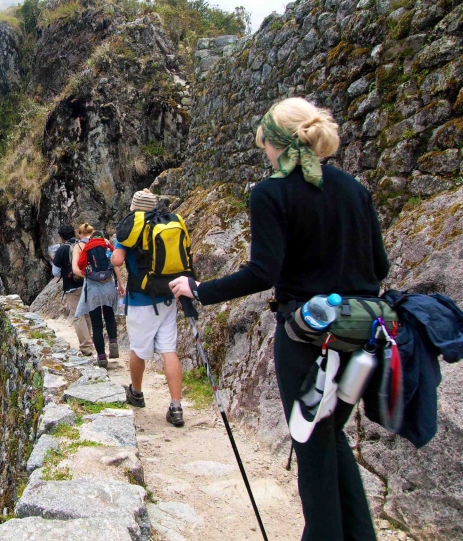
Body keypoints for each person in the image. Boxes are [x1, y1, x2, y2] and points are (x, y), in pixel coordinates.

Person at [169, 97, 388, 541]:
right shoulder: (354, 189)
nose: (264, 153)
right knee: (330, 435)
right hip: (360, 334)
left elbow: (263, 272)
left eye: (264, 144)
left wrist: (200, 289)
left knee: (311, 442)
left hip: (308, 338)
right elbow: (379, 266)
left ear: (276, 142)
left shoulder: (271, 192)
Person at [112, 189, 185, 427]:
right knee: (169, 350)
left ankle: (136, 392)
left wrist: (117, 251)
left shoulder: (131, 228)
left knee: (138, 349)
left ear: (134, 208)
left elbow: (117, 260)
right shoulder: (167, 223)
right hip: (167, 296)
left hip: (141, 299)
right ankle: (176, 407)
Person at [73, 224, 125, 368]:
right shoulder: (106, 244)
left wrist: (90, 275)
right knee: (109, 316)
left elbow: (77, 268)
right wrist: (121, 284)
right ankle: (113, 344)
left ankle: (101, 357)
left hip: (92, 290)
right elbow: (115, 264)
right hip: (108, 286)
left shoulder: (82, 247)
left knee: (96, 324)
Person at [51, 225, 94, 356]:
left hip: (72, 286)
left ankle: (86, 347)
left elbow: (56, 272)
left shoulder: (62, 249)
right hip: (88, 283)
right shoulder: (82, 244)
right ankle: (90, 341)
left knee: (78, 316)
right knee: (87, 314)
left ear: (62, 237)